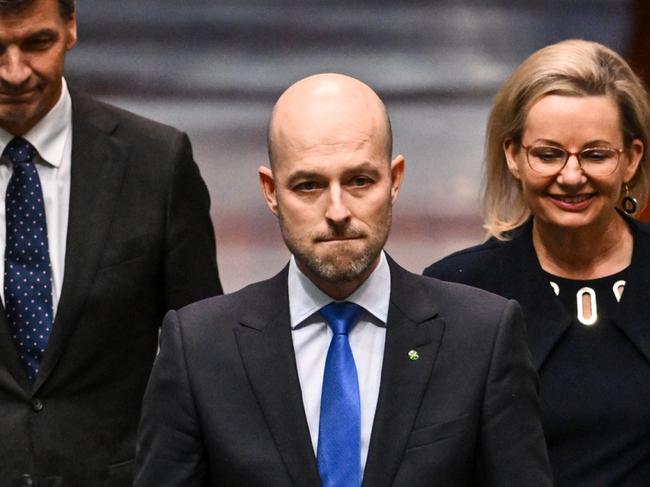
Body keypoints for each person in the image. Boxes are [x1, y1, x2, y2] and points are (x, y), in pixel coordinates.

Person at [135, 72, 552, 486]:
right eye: (309, 185)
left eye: (359, 181)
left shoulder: (480, 338)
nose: (337, 211)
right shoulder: (200, 348)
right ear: (270, 191)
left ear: (395, 180)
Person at [0, 0, 222, 485]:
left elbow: (210, 359)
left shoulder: (157, 163)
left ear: (71, 26)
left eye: (37, 43)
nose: (15, 73)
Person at [424, 39, 650, 485]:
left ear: (631, 159)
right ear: (513, 156)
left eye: (596, 154)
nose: (571, 176)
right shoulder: (458, 290)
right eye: (548, 154)